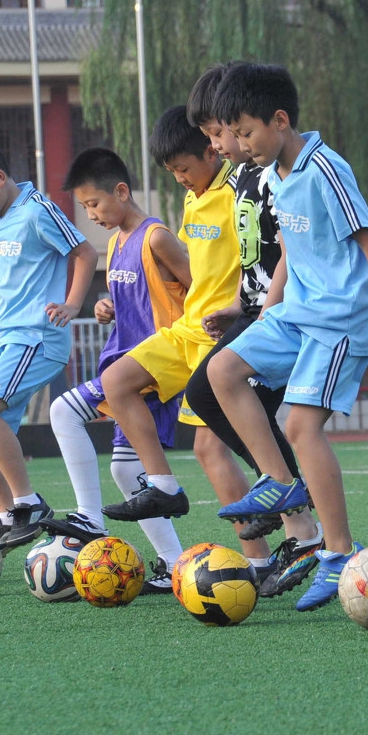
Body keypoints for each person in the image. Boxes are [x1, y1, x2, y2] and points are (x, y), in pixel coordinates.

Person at [207, 63, 368, 611]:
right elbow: (291, 255)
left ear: (280, 120)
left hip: (340, 319)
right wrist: (267, 312)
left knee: (300, 426)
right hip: (296, 313)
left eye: (247, 132)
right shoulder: (276, 175)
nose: (241, 144)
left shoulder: (326, 168)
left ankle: (338, 553)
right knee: (222, 370)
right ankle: (278, 481)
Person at [184, 62, 323, 597]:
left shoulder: (274, 172)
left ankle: (301, 520)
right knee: (220, 404)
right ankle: (295, 515)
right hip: (253, 313)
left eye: (224, 132)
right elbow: (253, 257)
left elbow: (287, 249)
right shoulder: (245, 174)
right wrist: (239, 308)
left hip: (284, 314)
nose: (219, 144)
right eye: (215, 135)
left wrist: (271, 305)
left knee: (219, 395)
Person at [96, 106, 248, 582]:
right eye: (173, 172)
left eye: (185, 167)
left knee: (212, 449)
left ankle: (264, 557)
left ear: (211, 148)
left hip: (225, 333)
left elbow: (260, 262)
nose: (181, 178)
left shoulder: (238, 192)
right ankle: (162, 484)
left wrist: (243, 307)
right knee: (115, 381)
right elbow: (190, 276)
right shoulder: (193, 200)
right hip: (187, 331)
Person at [39, 147, 189, 592]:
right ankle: (175, 567)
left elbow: (197, 292)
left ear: (121, 191)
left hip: (152, 369)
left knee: (64, 412)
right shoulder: (117, 242)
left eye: (95, 204)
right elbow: (136, 300)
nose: (91, 214)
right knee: (125, 471)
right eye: (85, 207)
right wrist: (108, 307)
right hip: (126, 365)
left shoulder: (156, 237)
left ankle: (89, 518)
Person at [0, 139, 100, 558]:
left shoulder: (37, 210)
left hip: (36, 337)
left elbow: (85, 252)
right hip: (3, 341)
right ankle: (10, 514)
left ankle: (28, 502)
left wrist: (72, 304)